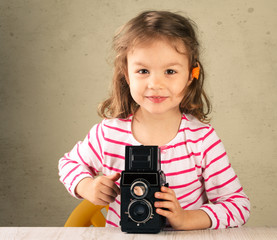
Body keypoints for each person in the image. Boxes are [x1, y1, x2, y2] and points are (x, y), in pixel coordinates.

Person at [58, 10, 250, 230]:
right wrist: (87, 187)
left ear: (190, 75)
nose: (155, 83)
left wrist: (187, 219)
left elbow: (238, 205)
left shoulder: (202, 140)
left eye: (170, 71)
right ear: (126, 74)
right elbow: (69, 164)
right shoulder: (108, 133)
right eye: (143, 71)